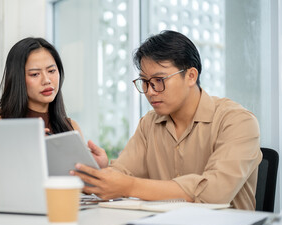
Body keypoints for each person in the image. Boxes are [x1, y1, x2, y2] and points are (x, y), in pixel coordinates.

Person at [71, 30, 262, 210]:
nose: (150, 91)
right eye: (145, 82)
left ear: (191, 76)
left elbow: (213, 193)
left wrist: (129, 186)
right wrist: (99, 173)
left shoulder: (237, 121)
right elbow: (123, 173)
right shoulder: (149, 123)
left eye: (159, 80)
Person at [0, 37, 82, 136]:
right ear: (18, 79)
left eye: (51, 71)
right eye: (35, 74)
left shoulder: (72, 129)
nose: (46, 80)